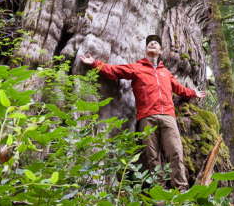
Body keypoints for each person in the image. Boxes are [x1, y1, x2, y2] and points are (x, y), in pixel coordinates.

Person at [78, 34, 207, 191]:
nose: (152, 44)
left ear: (160, 50)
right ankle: (161, 194)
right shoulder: (137, 67)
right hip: (147, 117)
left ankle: (181, 190)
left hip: (168, 116)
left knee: (175, 152)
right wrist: (95, 64)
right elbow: (114, 71)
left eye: (155, 43)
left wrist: (193, 93)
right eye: (149, 43)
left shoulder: (165, 72)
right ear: (146, 50)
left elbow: (179, 89)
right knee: (152, 157)